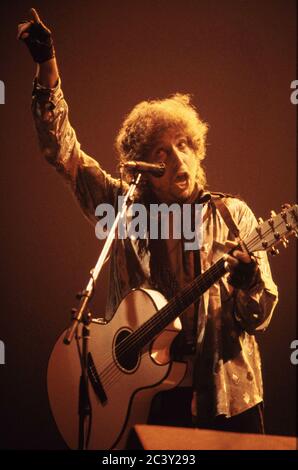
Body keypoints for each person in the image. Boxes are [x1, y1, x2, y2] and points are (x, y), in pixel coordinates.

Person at [18, 9, 278, 437]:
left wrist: (249, 281)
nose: (177, 159)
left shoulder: (235, 216)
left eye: (183, 146)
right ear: (143, 163)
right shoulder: (123, 207)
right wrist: (48, 67)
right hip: (145, 400)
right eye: (161, 152)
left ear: (197, 150)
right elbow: (60, 152)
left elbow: (261, 314)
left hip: (227, 400)